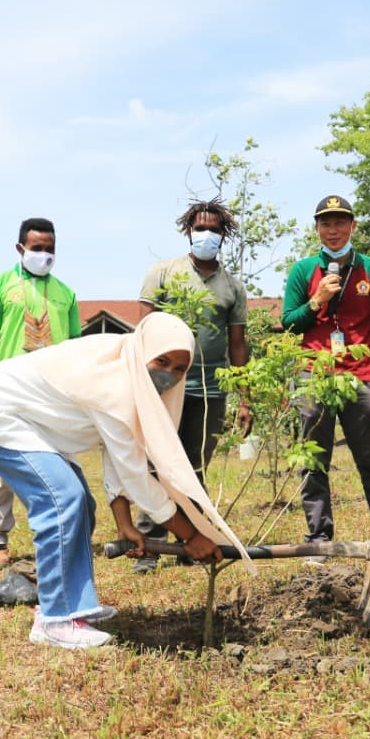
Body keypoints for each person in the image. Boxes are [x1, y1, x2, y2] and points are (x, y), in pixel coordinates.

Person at [0, 313, 249, 649]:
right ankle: (55, 620)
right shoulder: (117, 380)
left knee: (82, 504)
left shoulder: (129, 365)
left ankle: (74, 607)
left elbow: (119, 451)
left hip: (36, 422)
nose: (168, 374)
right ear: (144, 350)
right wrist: (191, 536)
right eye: (162, 361)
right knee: (62, 501)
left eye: (179, 369)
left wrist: (123, 523)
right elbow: (137, 477)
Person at [281, 195, 370, 563]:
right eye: (325, 223)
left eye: (340, 222)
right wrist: (316, 302)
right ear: (316, 229)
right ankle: (318, 537)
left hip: (360, 377)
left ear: (353, 226)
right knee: (314, 459)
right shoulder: (302, 271)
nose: (333, 230)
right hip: (313, 375)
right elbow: (289, 323)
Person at [131, 199, 250, 574]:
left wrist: (243, 396)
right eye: (200, 228)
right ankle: (150, 544)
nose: (207, 234)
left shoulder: (233, 287)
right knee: (156, 462)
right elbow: (144, 332)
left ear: (224, 235)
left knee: (195, 466)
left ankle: (191, 541)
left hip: (212, 389)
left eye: (214, 229)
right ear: (188, 231)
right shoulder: (163, 274)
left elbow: (238, 345)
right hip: (166, 385)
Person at [0, 217, 81, 569]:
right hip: (9, 390)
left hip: (54, 394)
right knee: (3, 469)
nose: (45, 255)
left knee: (63, 464)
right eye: (37, 249)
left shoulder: (66, 293)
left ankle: (64, 535)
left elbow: (76, 347)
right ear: (20, 249)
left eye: (50, 249)